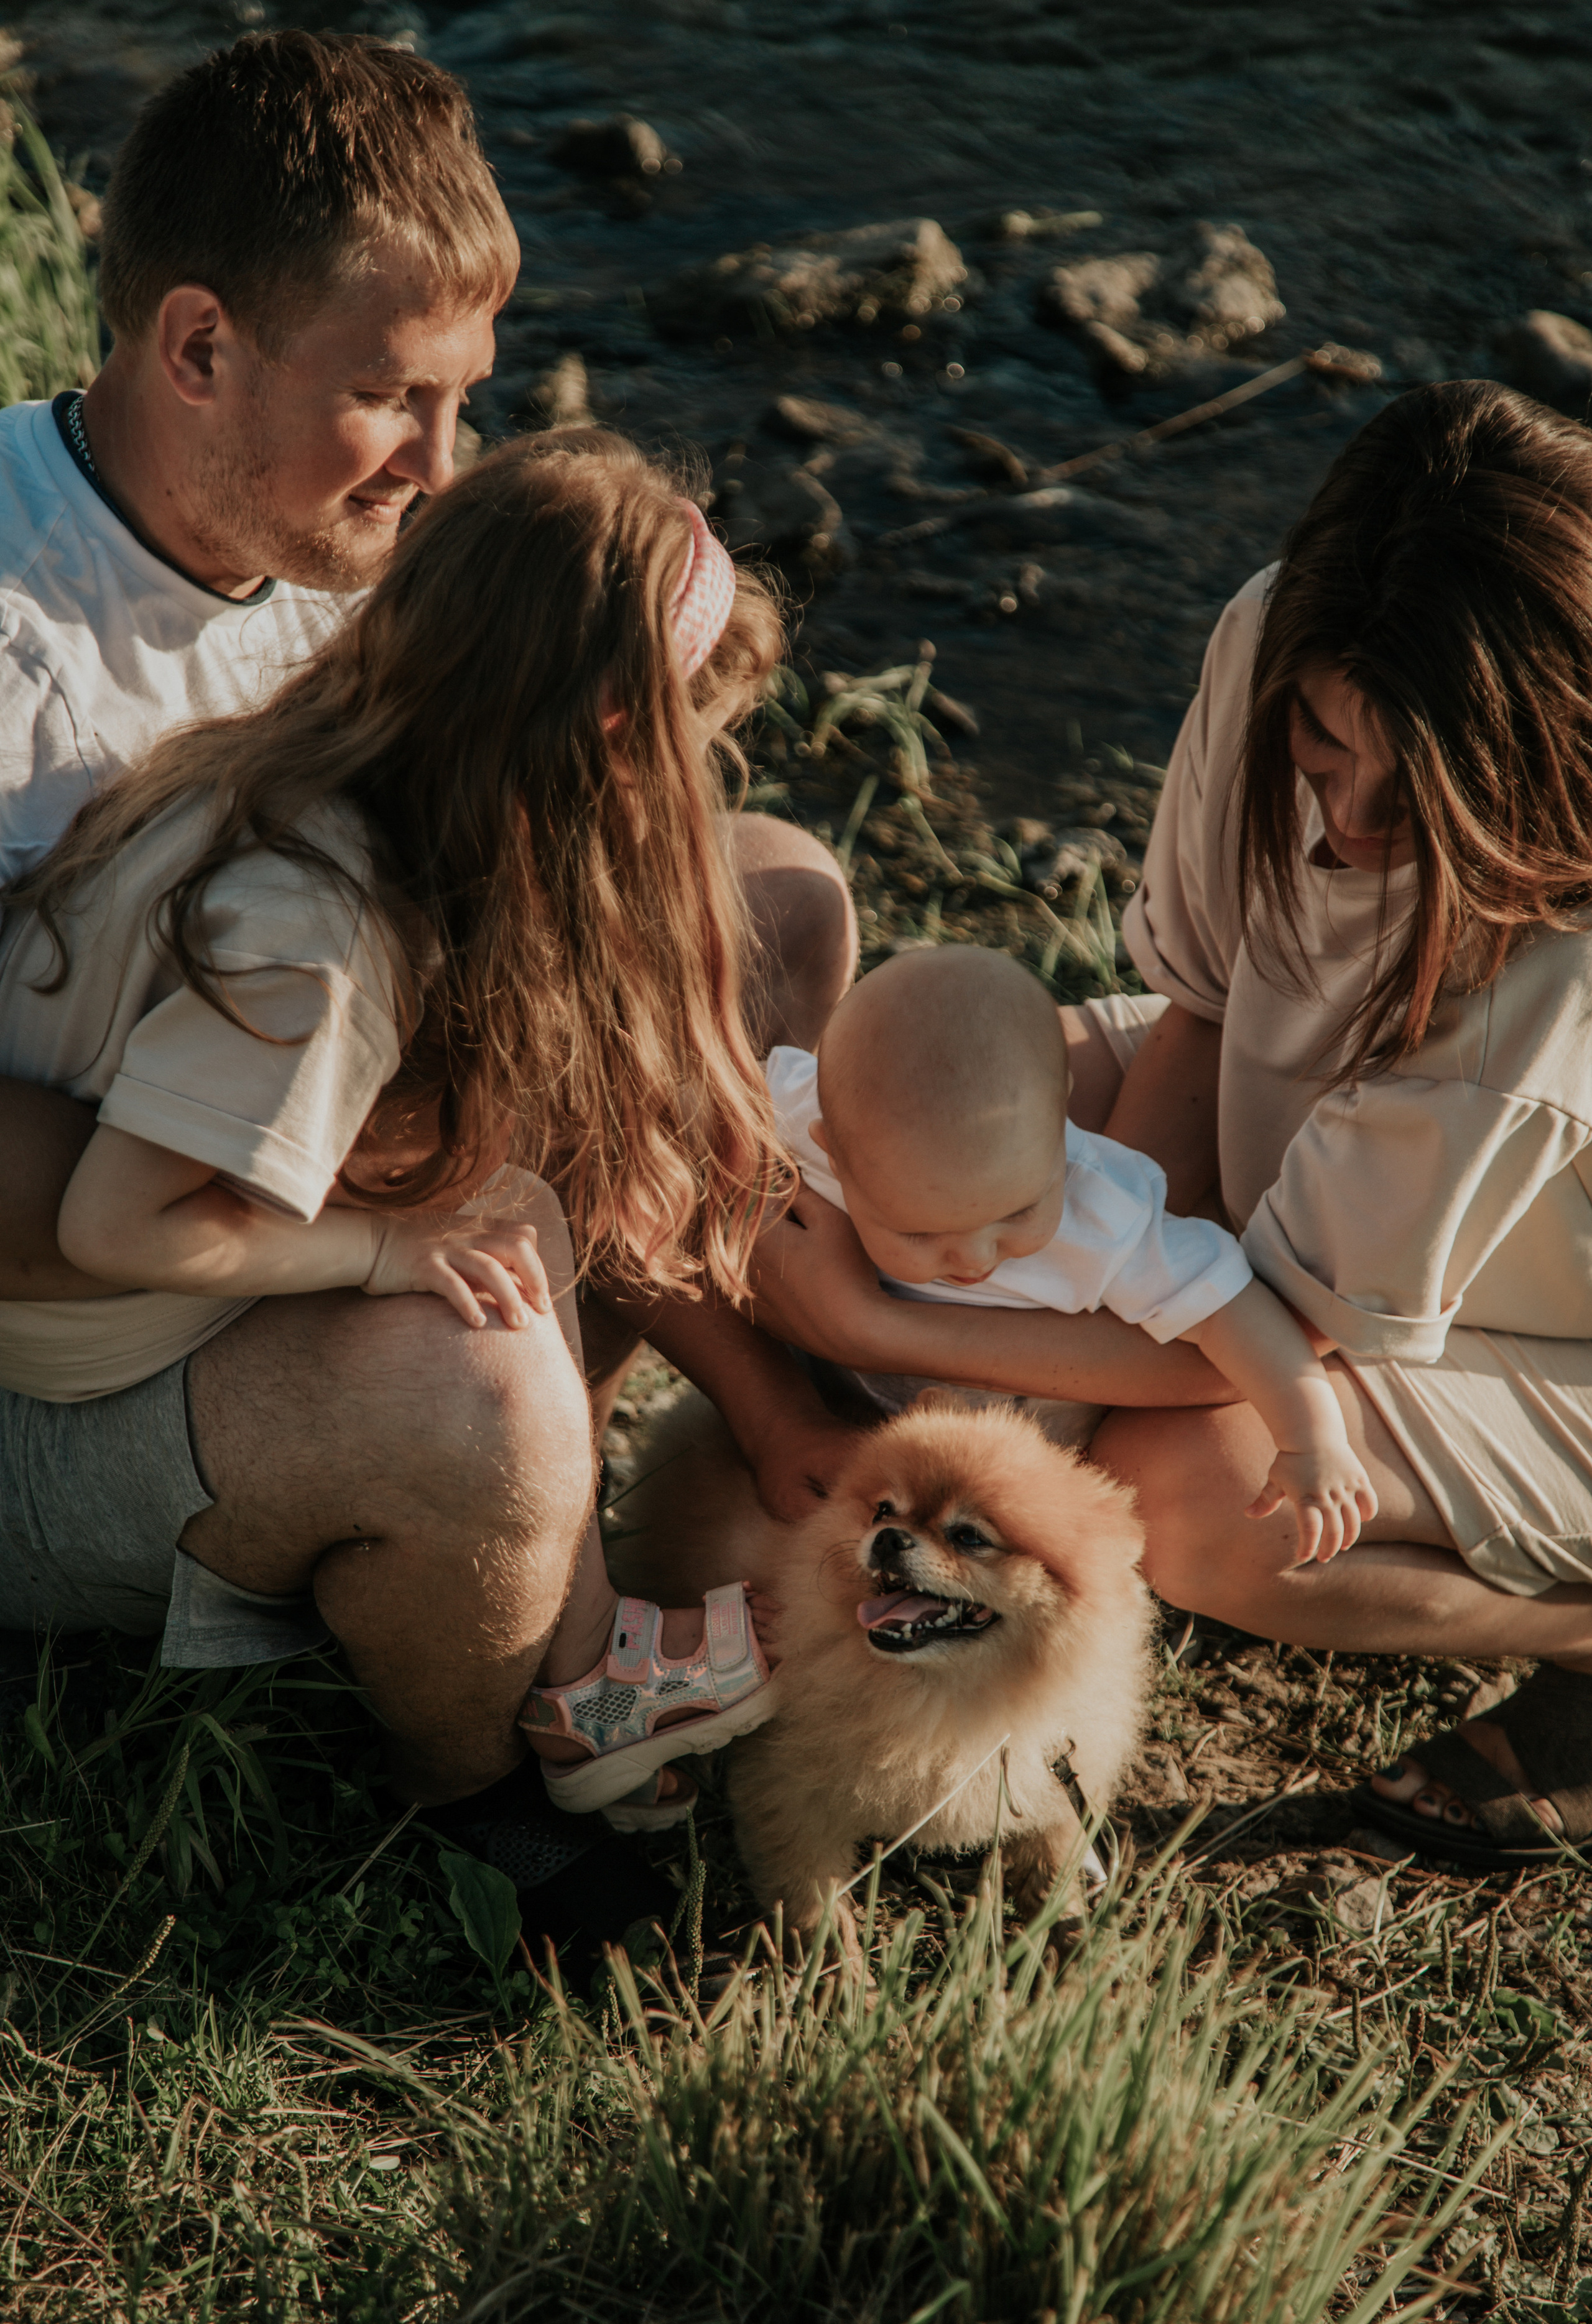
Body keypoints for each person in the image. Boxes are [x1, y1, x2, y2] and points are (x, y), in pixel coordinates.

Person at [0, 33, 856, 1942]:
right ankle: (481, 1770)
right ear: (199, 346)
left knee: (769, 911)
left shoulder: (341, 521)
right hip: (61, 1342)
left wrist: (742, 1375)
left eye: (466, 398)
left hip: (255, 1127)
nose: (442, 471)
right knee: (475, 1391)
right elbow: (65, 1213)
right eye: (394, 397)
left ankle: (516, 1536)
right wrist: (394, 1228)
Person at [749, 381, 1592, 1870]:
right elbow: (1199, 1017)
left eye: (1416, 797)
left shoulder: (1534, 997)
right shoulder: (1272, 632)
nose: (1345, 824)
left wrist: (882, 1318)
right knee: (912, 1124)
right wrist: (1055, 1292)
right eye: (1320, 752)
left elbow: (1269, 1339)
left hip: (1533, 1295)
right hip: (1326, 1133)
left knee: (1184, 1493)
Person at [766, 944, 1376, 1563]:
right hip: (837, 1406)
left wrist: (1309, 1438)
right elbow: (721, 1105)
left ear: (1060, 1110)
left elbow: (1231, 1309)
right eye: (919, 1235)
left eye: (1017, 1214)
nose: (974, 1258)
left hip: (1021, 1445)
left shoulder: (1102, 1214)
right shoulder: (800, 1117)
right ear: (830, 1148)